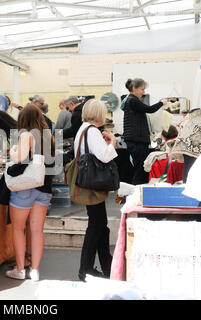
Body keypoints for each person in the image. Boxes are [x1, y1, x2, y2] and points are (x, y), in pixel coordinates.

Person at [5, 103, 55, 282]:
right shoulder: (48, 135)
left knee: (19, 229)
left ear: (23, 119)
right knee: (37, 230)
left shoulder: (26, 134)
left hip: (25, 188)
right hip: (44, 188)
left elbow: (19, 158)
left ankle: (20, 269)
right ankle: (35, 270)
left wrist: (12, 151)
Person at [74, 99, 117, 282]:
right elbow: (105, 156)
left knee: (100, 224)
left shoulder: (83, 130)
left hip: (88, 183)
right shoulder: (92, 131)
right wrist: (112, 142)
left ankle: (106, 266)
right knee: (96, 225)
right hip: (94, 184)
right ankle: (86, 269)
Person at [122, 78, 167, 185]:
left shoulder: (131, 100)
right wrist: (161, 103)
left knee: (140, 169)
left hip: (137, 140)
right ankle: (137, 193)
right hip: (136, 141)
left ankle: (137, 193)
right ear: (134, 88)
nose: (143, 92)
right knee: (140, 171)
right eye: (142, 89)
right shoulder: (132, 100)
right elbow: (150, 109)